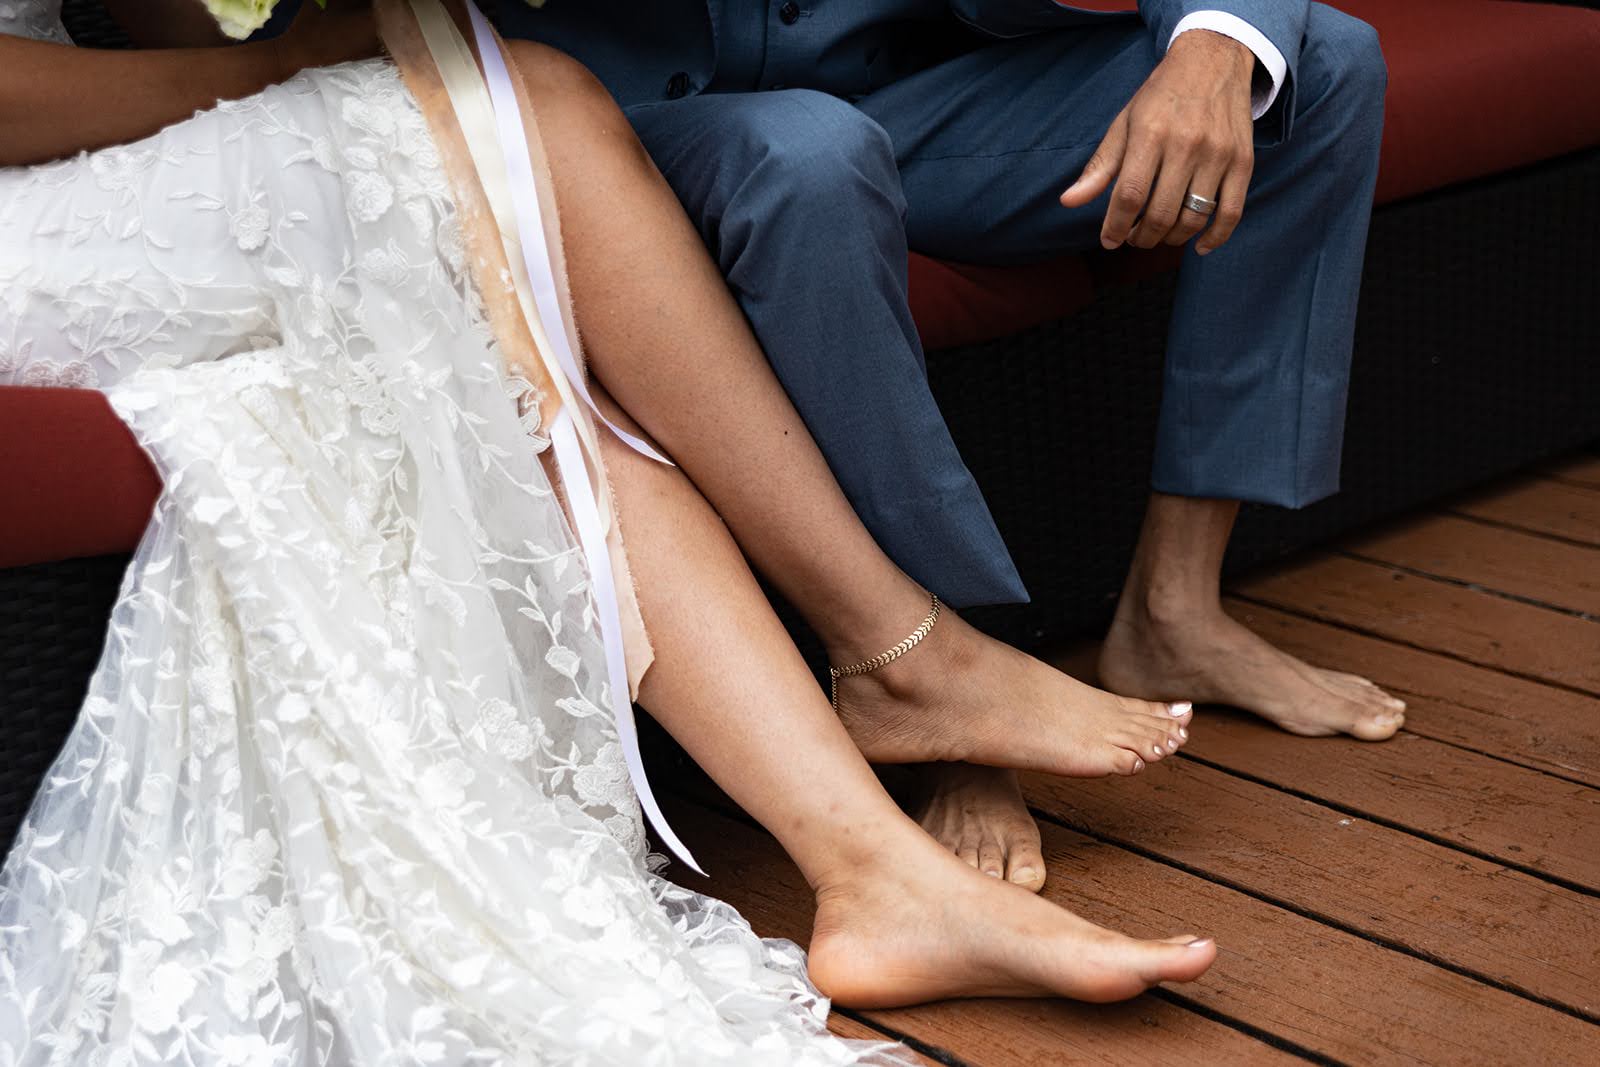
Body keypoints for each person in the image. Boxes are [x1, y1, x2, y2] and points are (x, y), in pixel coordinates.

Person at [0, 1, 1215, 1062]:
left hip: (102, 155)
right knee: (523, 109)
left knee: (522, 316)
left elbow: (161, 22)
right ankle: (896, 672)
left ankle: (874, 860)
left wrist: (278, 60)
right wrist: (290, 71)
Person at [504, 0, 1410, 881]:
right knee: (812, 160)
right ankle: (942, 700)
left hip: (911, 80)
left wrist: (1215, 45)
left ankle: (1175, 609)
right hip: (633, 120)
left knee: (1312, 67)